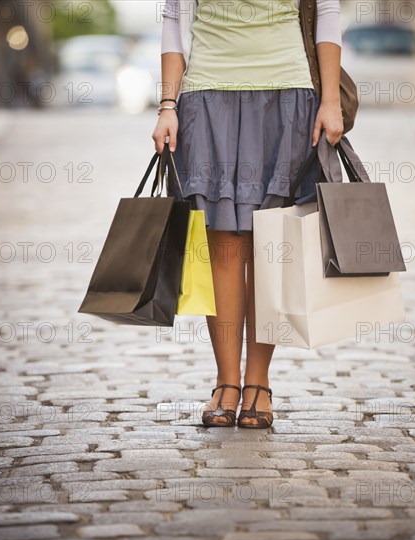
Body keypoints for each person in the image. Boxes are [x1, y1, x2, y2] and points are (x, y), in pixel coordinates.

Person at [152, 0, 344, 428]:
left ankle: (258, 383)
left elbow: (328, 11)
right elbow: (173, 17)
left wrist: (330, 101)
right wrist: (168, 104)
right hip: (206, 97)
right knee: (222, 246)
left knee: (268, 246)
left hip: (287, 96)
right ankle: (226, 382)